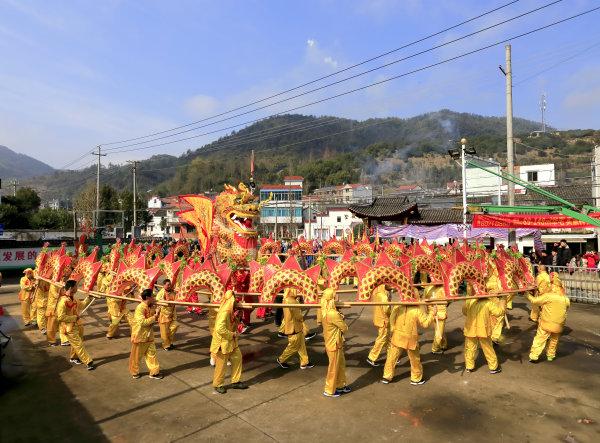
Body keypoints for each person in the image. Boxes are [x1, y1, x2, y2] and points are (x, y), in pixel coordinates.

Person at [381, 298, 436, 385]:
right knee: (415, 360)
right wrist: (432, 312)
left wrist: (393, 329)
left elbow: (392, 317)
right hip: (410, 338)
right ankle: (416, 379)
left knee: (391, 357)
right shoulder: (417, 311)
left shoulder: (398, 306)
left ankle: (386, 377)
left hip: (397, 335)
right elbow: (425, 324)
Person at [210, 290, 248, 394]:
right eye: (235, 299)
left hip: (231, 342)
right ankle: (218, 384)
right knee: (221, 366)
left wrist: (238, 317)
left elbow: (232, 324)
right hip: (223, 343)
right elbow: (219, 328)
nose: (236, 301)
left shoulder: (230, 310)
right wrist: (232, 334)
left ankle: (235, 381)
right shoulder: (225, 312)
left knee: (237, 358)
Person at [527, 273, 570, 362]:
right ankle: (550, 356)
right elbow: (567, 308)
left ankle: (534, 356)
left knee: (540, 339)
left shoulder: (548, 296)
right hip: (558, 325)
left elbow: (534, 301)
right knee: (554, 340)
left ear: (553, 286)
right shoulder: (566, 299)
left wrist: (526, 294)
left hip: (546, 323)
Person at [56, 280, 95, 370]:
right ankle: (88, 361)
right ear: (71, 288)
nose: (77, 288)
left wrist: (89, 297)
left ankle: (74, 357)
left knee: (77, 344)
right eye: (76, 287)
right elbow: (60, 317)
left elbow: (82, 305)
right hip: (69, 328)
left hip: (78, 325)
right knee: (79, 345)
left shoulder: (74, 299)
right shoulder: (62, 302)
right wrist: (73, 318)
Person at [462, 296, 506, 374]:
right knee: (488, 348)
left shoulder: (469, 300)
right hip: (483, 330)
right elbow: (499, 313)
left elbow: (464, 312)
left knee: (470, 348)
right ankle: (493, 367)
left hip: (470, 329)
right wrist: (503, 300)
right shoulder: (488, 303)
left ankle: (469, 366)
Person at [321, 288, 351, 397]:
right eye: (335, 296)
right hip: (334, 344)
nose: (337, 298)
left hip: (335, 343)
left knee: (340, 365)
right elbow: (344, 328)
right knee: (333, 368)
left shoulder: (325, 310)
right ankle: (329, 390)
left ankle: (340, 385)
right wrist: (341, 316)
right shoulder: (333, 313)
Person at [276, 288, 314, 369]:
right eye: (295, 289)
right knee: (293, 346)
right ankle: (281, 359)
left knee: (301, 345)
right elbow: (298, 316)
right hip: (294, 328)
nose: (297, 291)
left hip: (295, 327)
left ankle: (304, 362)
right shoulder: (292, 301)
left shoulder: (286, 299)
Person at [129, 289, 163, 379]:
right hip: (140, 336)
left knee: (152, 354)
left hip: (149, 335)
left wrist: (157, 311)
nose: (154, 298)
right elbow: (142, 322)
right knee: (136, 356)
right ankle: (134, 372)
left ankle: (154, 372)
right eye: (153, 296)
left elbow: (154, 318)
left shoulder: (151, 306)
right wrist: (155, 316)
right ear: (148, 297)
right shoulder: (140, 308)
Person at [366, 285, 391, 366]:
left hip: (379, 318)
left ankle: (391, 356)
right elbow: (386, 310)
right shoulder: (383, 296)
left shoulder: (377, 292)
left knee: (387, 338)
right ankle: (372, 357)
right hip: (384, 320)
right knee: (382, 339)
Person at [46, 269, 71, 346]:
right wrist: (62, 290)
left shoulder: (64, 283)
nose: (65, 276)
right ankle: (51, 340)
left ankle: (64, 340)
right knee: (52, 325)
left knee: (63, 323)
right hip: (53, 307)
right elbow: (56, 295)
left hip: (61, 307)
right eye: (63, 274)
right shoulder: (54, 284)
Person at [155, 279, 178, 351]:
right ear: (163, 285)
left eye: (170, 284)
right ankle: (166, 345)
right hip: (163, 316)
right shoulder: (160, 293)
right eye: (168, 285)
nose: (169, 286)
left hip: (172, 315)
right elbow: (158, 302)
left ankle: (169, 342)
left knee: (175, 326)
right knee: (164, 333)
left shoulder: (173, 292)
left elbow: (177, 300)